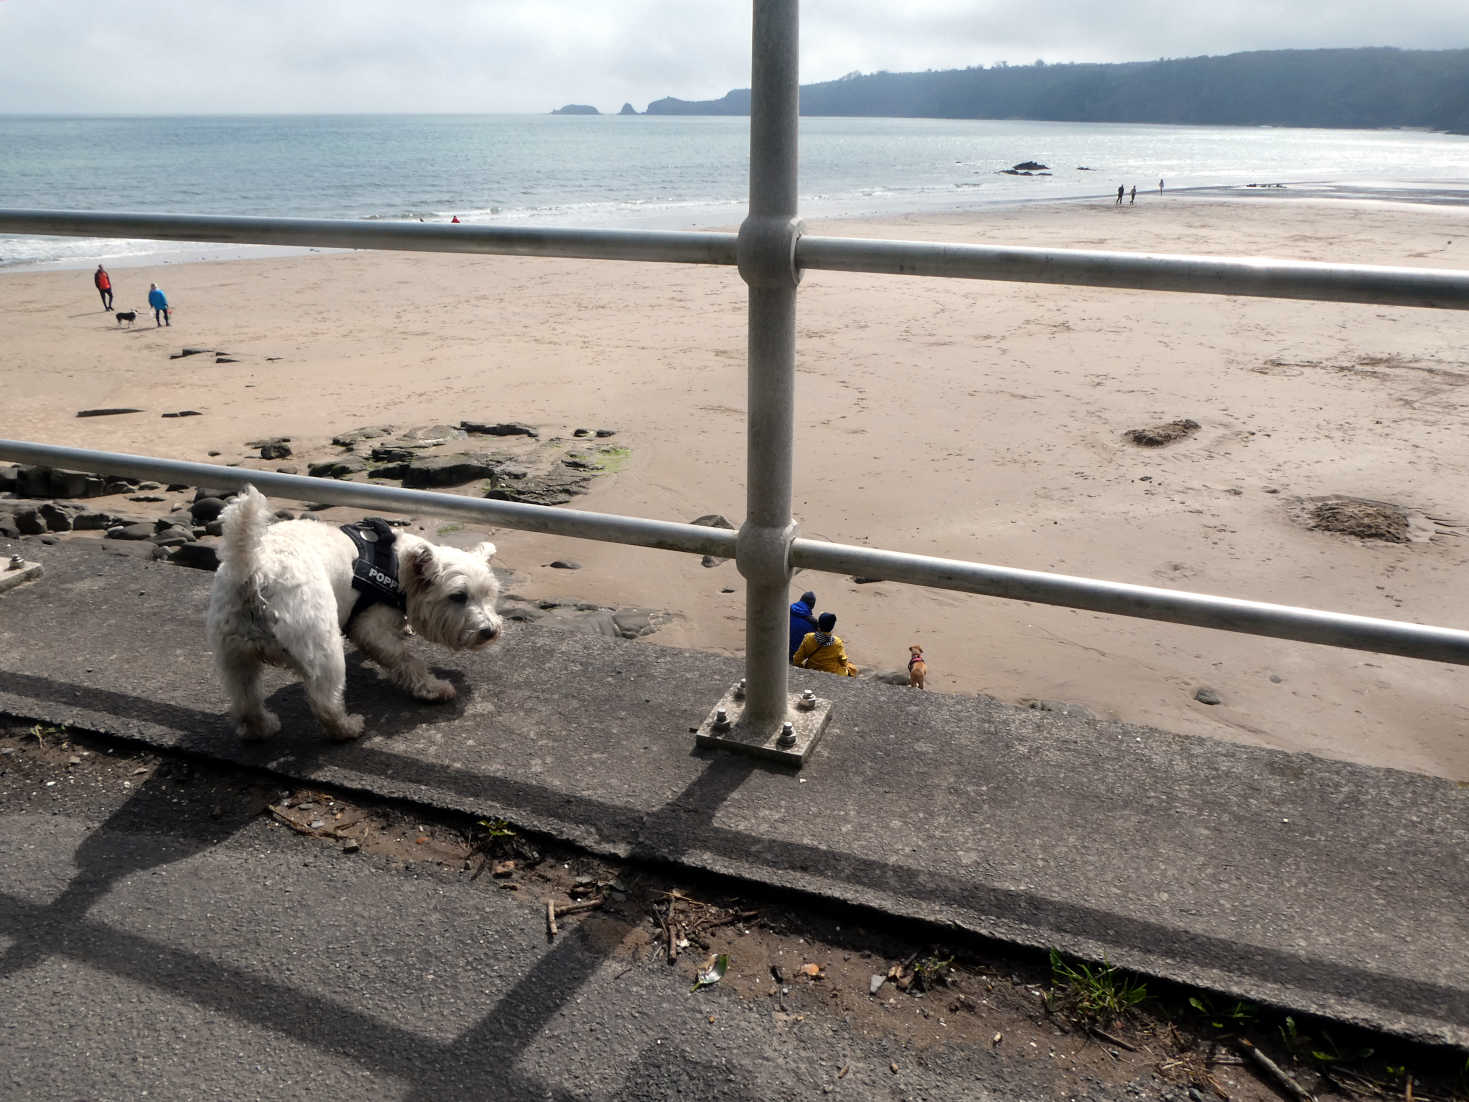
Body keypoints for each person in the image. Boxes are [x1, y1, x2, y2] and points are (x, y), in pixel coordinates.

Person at [792, 612, 858, 677]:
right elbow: (843, 661)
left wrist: (802, 668)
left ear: (819, 624)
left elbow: (797, 659)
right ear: (832, 627)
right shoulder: (837, 642)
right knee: (852, 668)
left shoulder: (808, 638)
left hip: (813, 668)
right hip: (834, 672)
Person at [788, 590, 818, 659]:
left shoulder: (786, 610)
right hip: (794, 656)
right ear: (812, 605)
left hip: (779, 648)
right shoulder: (812, 623)